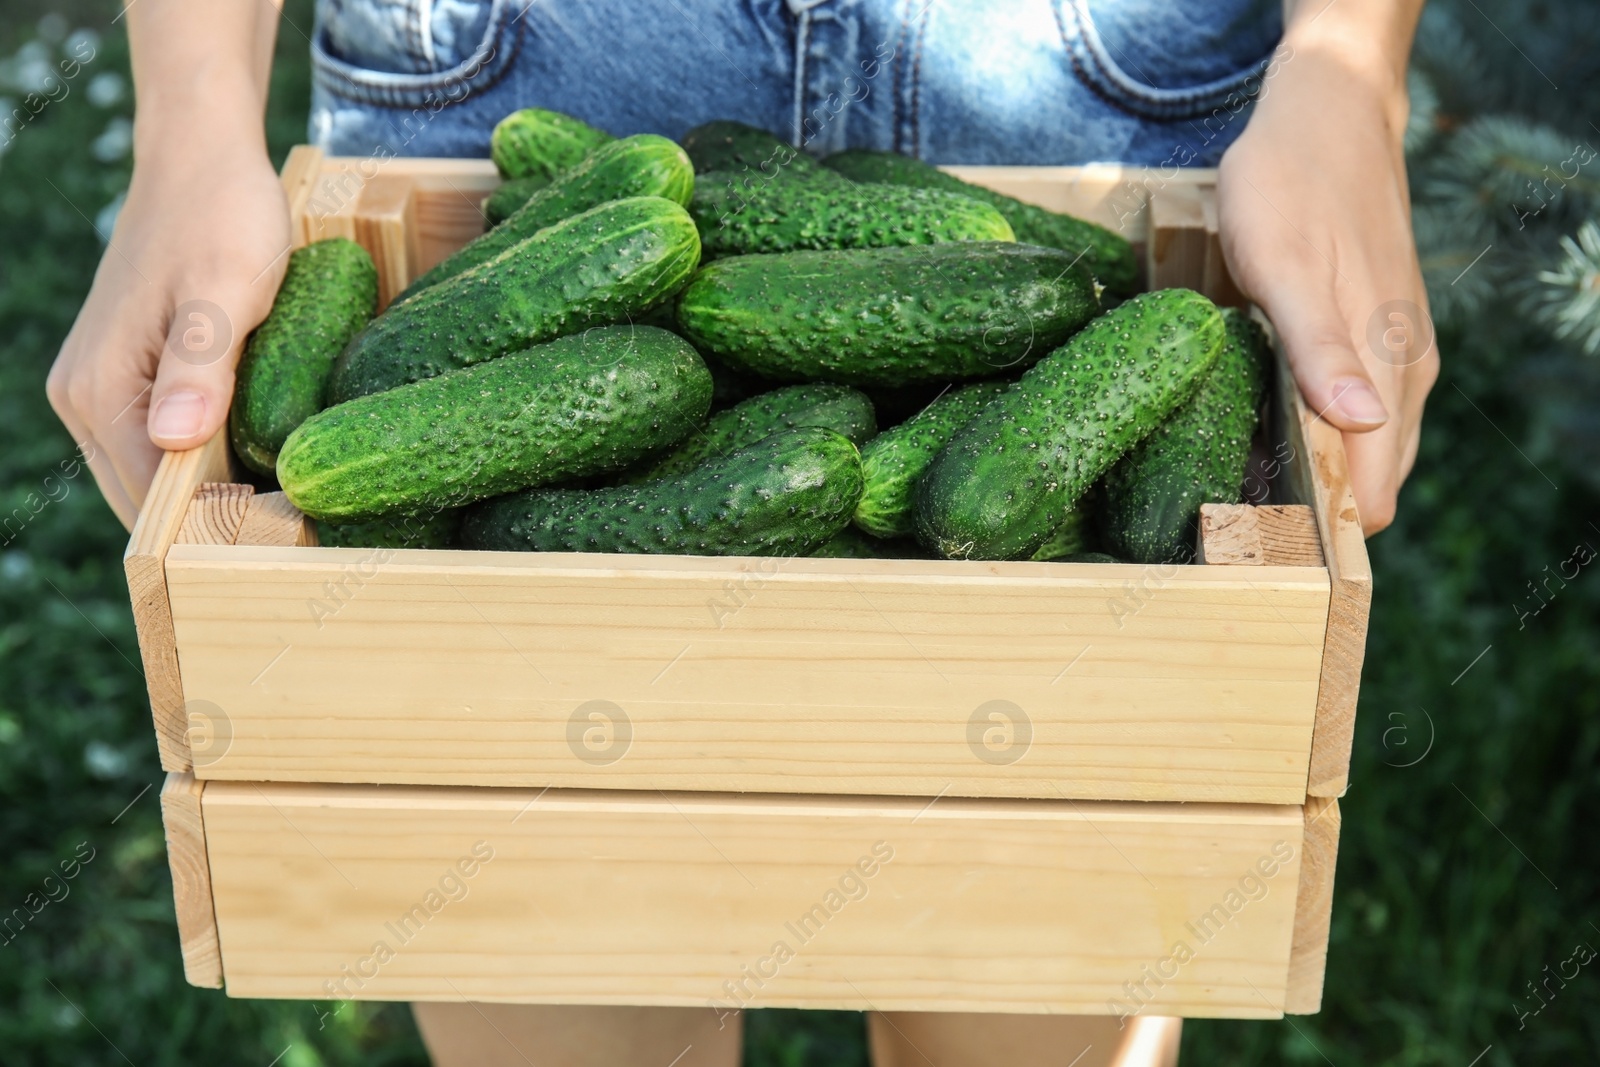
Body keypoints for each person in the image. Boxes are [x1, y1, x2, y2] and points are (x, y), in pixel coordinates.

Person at [47, 0, 1433, 1062]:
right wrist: (190, 118)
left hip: (1091, 71)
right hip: (520, 64)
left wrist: (1349, 68)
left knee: (1050, 991)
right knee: (546, 971)